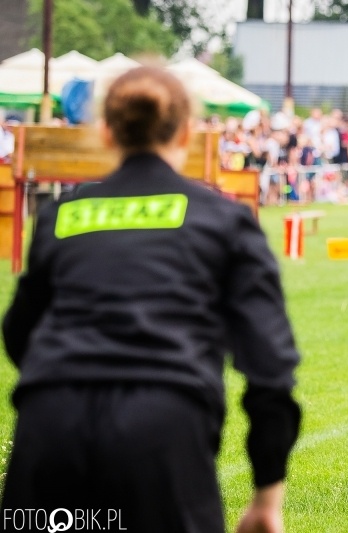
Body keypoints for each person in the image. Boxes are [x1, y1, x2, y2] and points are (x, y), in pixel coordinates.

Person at [0, 67, 301, 533]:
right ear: (186, 131)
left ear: (104, 131)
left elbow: (19, 331)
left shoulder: (62, 215)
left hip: (50, 425)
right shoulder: (223, 219)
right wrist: (267, 496)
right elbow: (270, 368)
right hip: (163, 430)